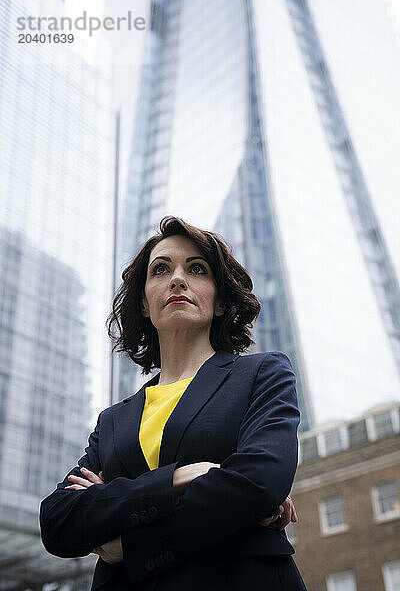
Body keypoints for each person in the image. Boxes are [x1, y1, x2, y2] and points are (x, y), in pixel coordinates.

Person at [40, 215, 308, 590]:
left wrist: (131, 542)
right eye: (161, 269)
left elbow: (260, 482)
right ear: (146, 305)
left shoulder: (262, 374)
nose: (177, 278)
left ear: (218, 302)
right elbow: (58, 520)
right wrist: (185, 476)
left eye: (197, 269)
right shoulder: (113, 421)